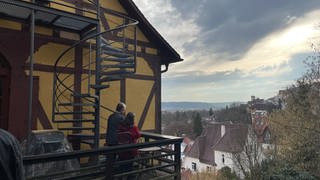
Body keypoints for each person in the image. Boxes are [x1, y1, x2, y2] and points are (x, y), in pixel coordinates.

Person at [117, 112, 141, 180]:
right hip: (130, 150)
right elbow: (138, 135)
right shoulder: (133, 127)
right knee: (129, 166)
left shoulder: (121, 125)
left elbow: (118, 134)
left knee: (122, 166)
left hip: (121, 149)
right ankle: (128, 177)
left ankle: (120, 177)